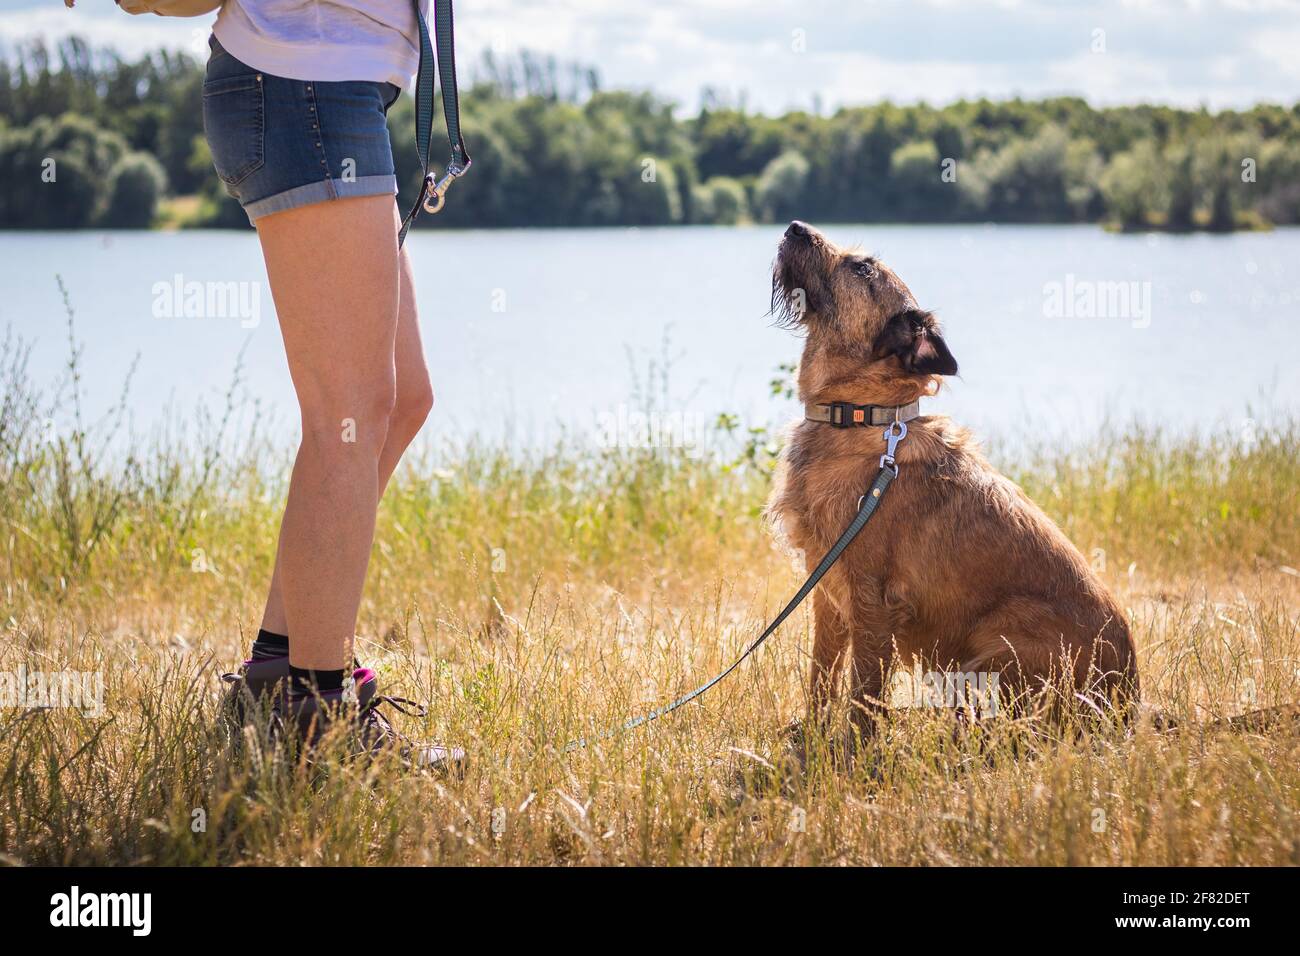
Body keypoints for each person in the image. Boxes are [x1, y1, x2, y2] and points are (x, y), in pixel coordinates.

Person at [205, 0, 459, 769]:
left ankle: (274, 677)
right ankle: (316, 719)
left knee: (402, 399)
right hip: (300, 79)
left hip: (337, 89)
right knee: (346, 416)